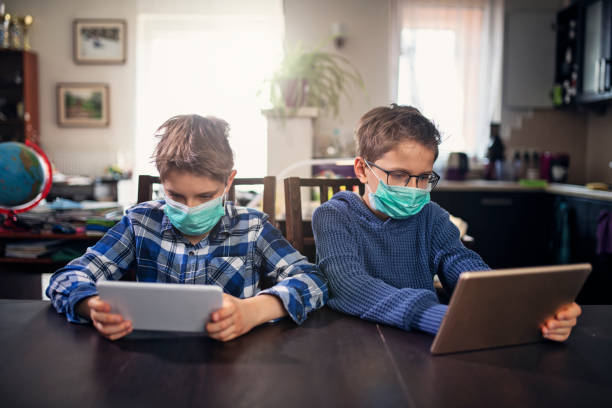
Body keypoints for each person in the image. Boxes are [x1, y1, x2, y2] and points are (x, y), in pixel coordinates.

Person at [311, 104, 580, 342]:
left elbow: (462, 264)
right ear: (361, 170)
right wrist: (435, 316)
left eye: (423, 177)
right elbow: (348, 286)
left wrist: (528, 311)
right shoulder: (334, 216)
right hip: (357, 345)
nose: (414, 189)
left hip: (420, 342)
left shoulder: (431, 216)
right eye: (400, 175)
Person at [47, 114, 327, 341]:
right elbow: (66, 278)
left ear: (228, 182)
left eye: (205, 196)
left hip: (234, 362)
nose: (190, 208)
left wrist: (254, 311)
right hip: (151, 359)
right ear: (162, 182)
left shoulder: (252, 227)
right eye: (176, 196)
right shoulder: (139, 223)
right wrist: (91, 306)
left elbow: (312, 281)